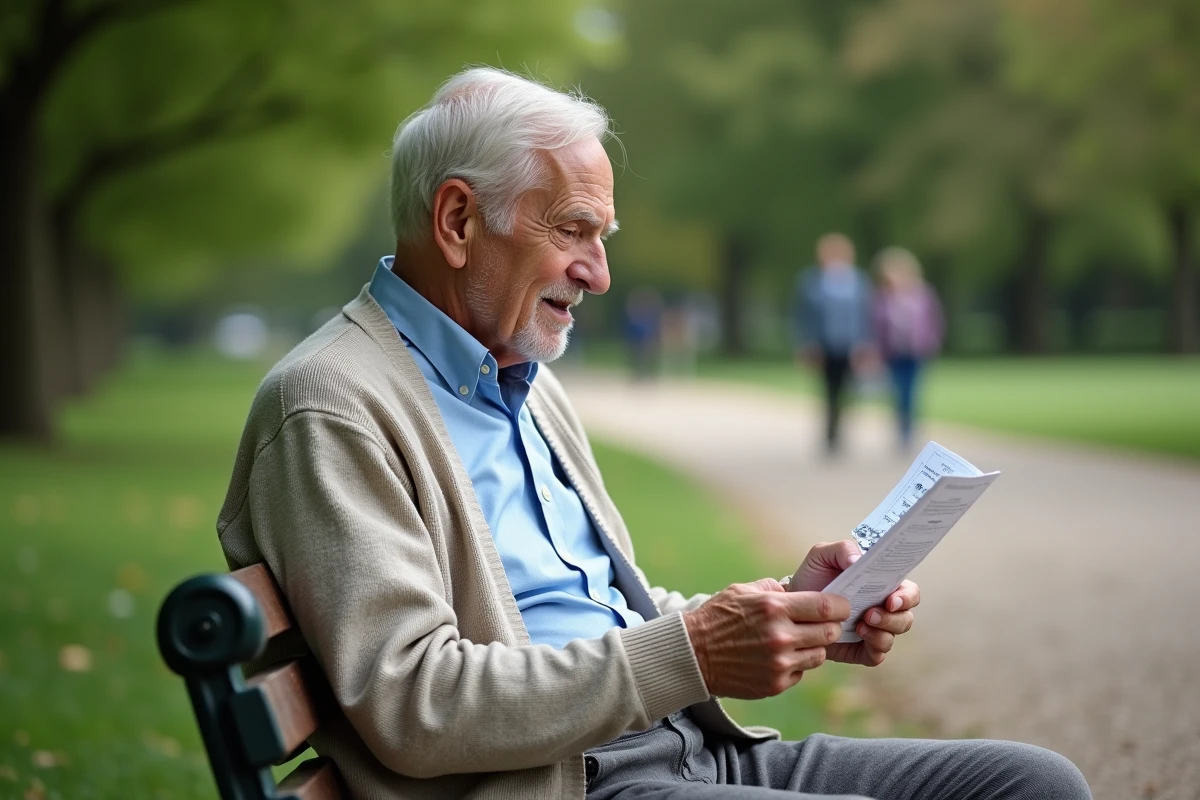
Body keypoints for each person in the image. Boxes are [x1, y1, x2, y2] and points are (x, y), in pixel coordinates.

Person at [216, 68, 1090, 800]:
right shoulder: (330, 406)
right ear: (457, 222)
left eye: (601, 236)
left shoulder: (525, 381)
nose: (598, 273)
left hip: (687, 753)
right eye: (573, 230)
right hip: (568, 785)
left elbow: (600, 615)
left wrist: (788, 611)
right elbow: (416, 704)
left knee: (1033, 783)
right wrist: (692, 651)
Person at [793, 234, 875, 455]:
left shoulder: (859, 282)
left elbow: (865, 316)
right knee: (828, 391)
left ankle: (842, 431)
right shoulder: (811, 282)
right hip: (824, 347)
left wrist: (865, 344)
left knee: (849, 391)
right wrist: (807, 344)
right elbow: (803, 316)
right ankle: (830, 434)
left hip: (851, 347)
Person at [873, 247, 944, 451]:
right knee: (897, 392)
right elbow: (876, 325)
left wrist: (932, 343)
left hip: (916, 351)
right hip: (892, 353)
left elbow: (934, 320)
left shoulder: (923, 293)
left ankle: (909, 432)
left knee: (912, 392)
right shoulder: (883, 296)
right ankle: (901, 429)